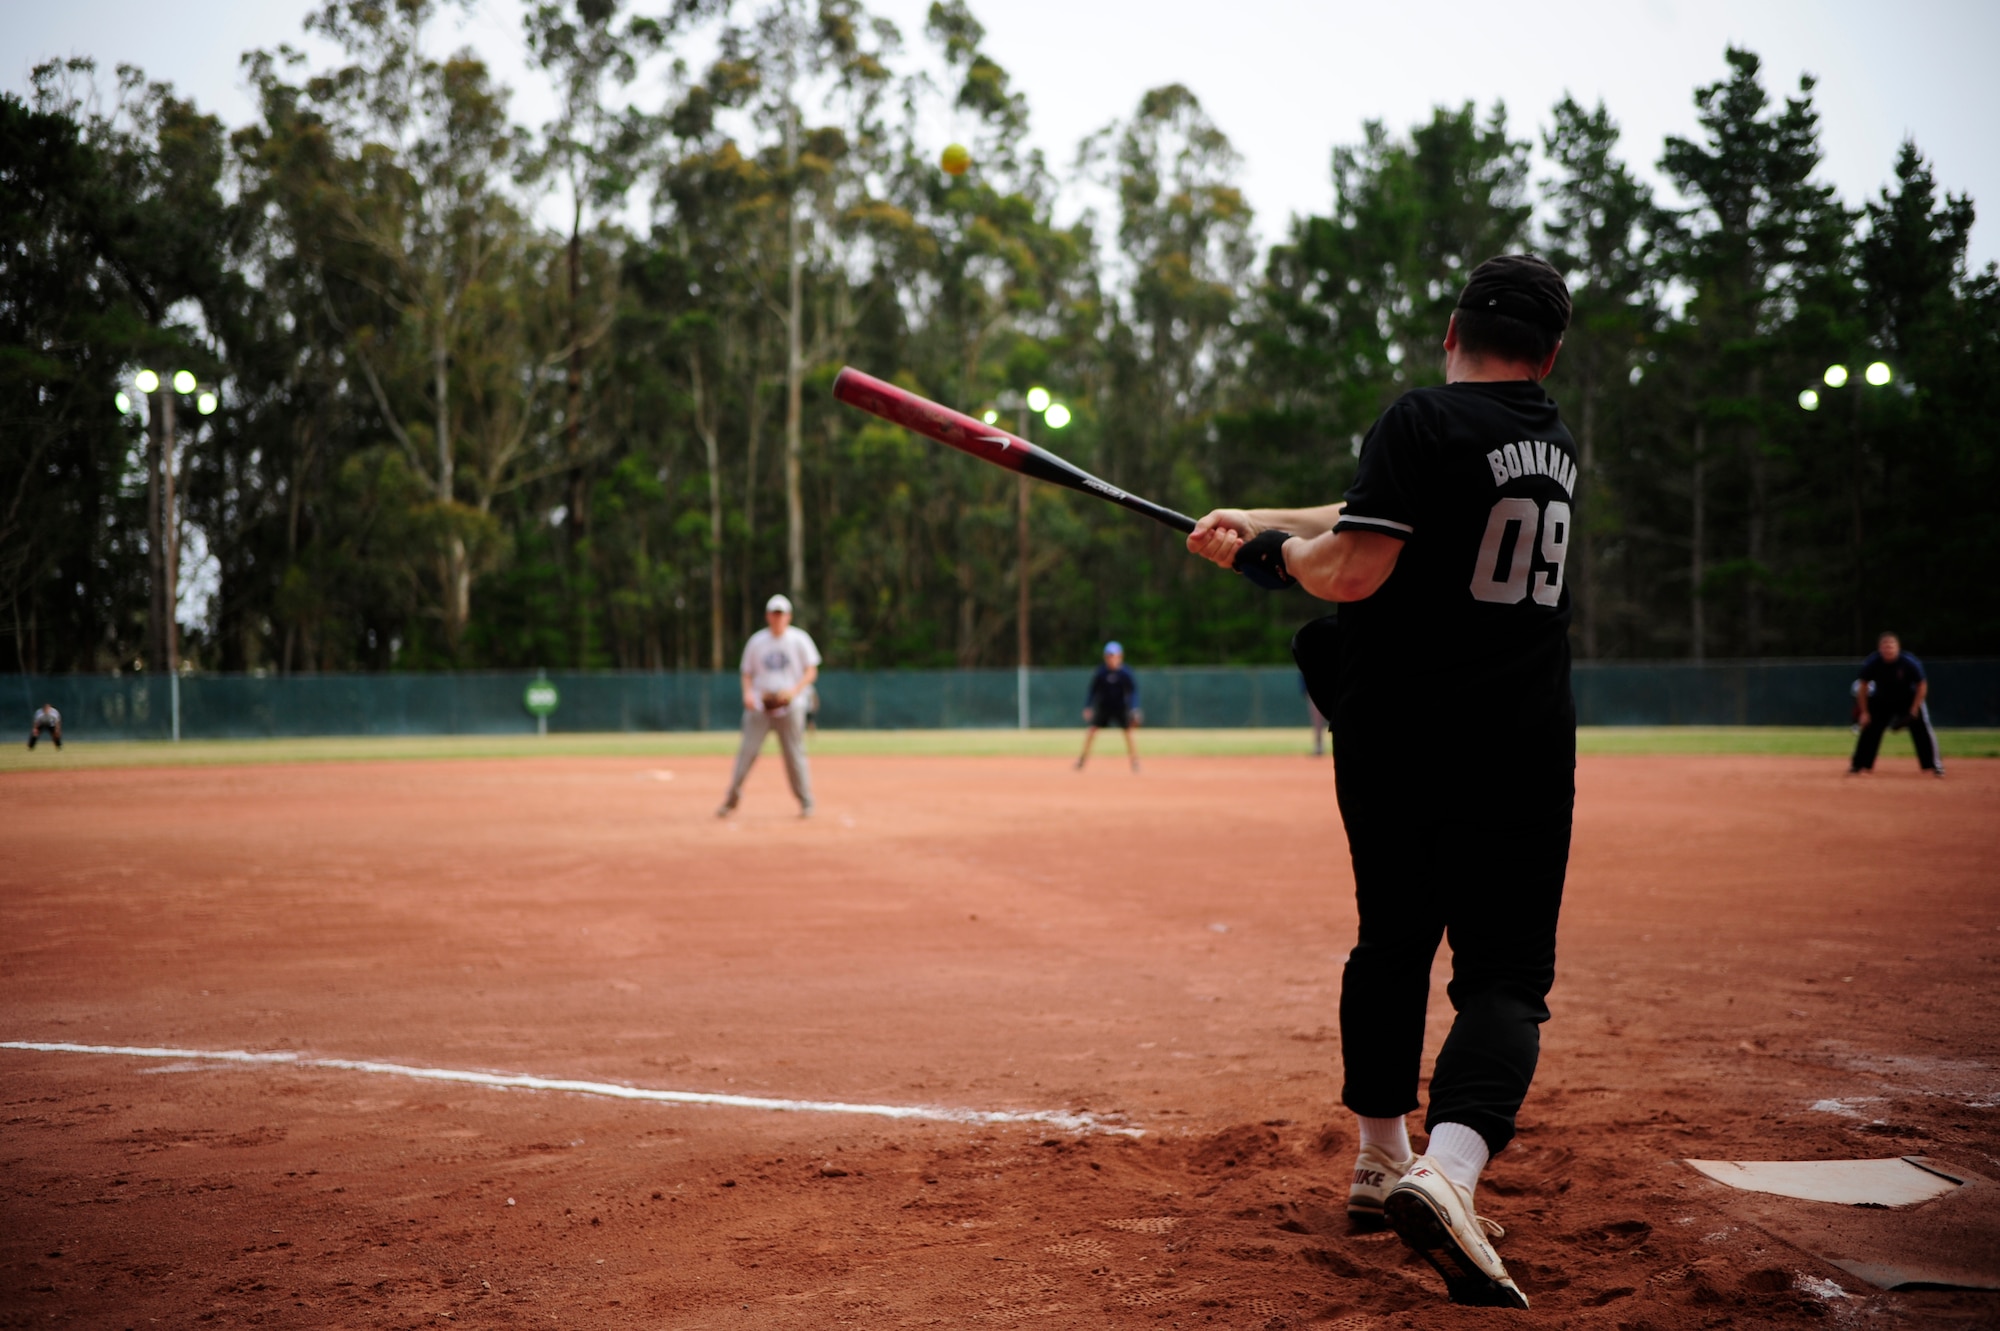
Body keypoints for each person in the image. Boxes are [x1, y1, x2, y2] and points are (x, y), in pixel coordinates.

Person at [1186, 255, 1579, 1310]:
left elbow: (1352, 566)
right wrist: (1256, 522)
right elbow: (1368, 514)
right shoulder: (1547, 442)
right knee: (1501, 974)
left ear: (1451, 327)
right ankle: (1444, 1170)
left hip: (1395, 732)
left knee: (1392, 935)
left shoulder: (1419, 418)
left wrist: (1269, 556)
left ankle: (1383, 1158)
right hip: (1514, 740)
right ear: (1545, 355)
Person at [716, 595, 820, 819]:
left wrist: (793, 691)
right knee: (747, 753)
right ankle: (731, 799)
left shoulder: (799, 639)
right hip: (760, 707)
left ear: (789, 616)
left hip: (792, 707)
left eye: (781, 614)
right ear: (767, 616)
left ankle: (806, 802)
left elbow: (811, 670)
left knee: (795, 754)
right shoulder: (757, 641)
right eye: (774, 613)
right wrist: (747, 694)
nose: (777, 618)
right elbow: (746, 672)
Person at [1849, 632, 1942, 777]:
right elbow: (1863, 687)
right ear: (1880, 649)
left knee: (1922, 729)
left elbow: (1922, 685)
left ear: (1898, 647)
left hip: (1908, 699)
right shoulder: (1873, 663)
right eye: (1885, 646)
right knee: (1870, 729)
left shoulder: (1908, 662)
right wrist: (1865, 712)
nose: (1888, 649)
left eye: (1891, 645)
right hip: (1882, 700)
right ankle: (1859, 765)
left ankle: (1933, 765)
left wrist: (1914, 707)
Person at [1075, 641, 1141, 773]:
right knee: (1091, 731)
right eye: (1109, 656)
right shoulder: (1101, 672)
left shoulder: (1125, 673)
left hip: (1120, 707)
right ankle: (1082, 759)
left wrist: (1134, 708)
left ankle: (1135, 761)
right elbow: (1093, 690)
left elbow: (1133, 691)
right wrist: (1088, 706)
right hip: (1104, 707)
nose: (1111, 658)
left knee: (1128, 733)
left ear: (1120, 656)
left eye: (1114, 655)